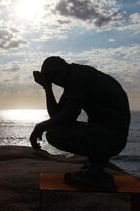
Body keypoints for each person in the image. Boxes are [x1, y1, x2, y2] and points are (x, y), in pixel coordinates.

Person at [30, 56, 130, 189]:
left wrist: (40, 127)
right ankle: (95, 167)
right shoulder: (74, 77)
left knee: (55, 134)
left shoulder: (79, 78)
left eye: (54, 80)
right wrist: (47, 87)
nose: (57, 83)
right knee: (56, 130)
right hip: (105, 134)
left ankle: (96, 172)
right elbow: (57, 115)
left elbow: (69, 116)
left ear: (59, 74)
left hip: (111, 139)